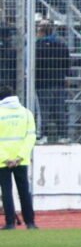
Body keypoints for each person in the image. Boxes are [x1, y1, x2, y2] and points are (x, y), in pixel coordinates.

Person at [0, 92, 34, 230]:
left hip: (2, 161)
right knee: (24, 191)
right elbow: (31, 137)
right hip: (22, 160)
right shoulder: (26, 113)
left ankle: (10, 223)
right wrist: (20, 156)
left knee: (6, 191)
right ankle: (30, 222)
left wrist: (5, 158)